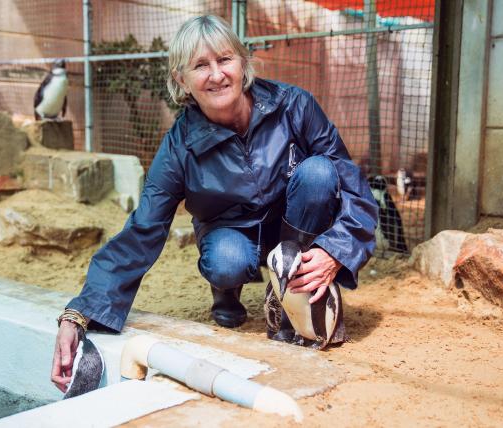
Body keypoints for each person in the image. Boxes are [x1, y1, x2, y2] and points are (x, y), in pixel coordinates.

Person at [51, 15, 378, 393]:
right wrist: (79, 313)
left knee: (320, 172)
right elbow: (144, 229)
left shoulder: (295, 106)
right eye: (200, 66)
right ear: (181, 80)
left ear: (243, 62)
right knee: (225, 260)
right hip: (229, 234)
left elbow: (352, 184)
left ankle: (291, 286)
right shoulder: (179, 145)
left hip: (293, 230)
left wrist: (334, 251)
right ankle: (226, 292)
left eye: (225, 60)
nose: (217, 74)